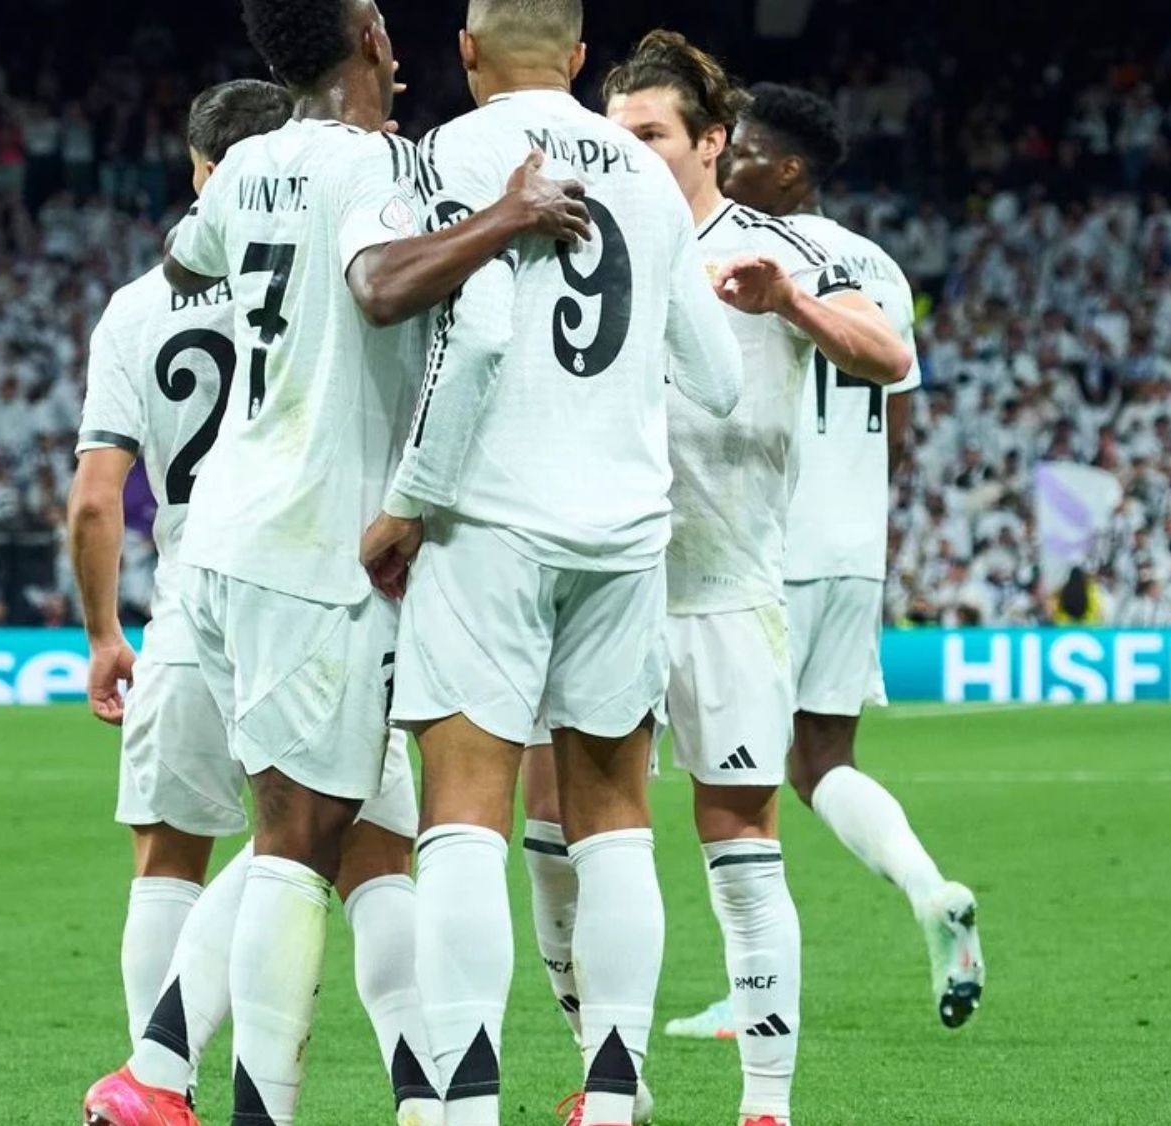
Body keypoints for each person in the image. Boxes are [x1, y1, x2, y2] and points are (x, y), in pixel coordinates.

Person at [151, 5, 592, 1125]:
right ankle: (252, 1106)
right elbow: (384, 284)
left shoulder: (246, 158)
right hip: (315, 539)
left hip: (222, 543)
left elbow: (182, 252)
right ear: (371, 41)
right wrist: (505, 215)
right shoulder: (380, 162)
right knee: (296, 845)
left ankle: (380, 1089)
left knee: (334, 832)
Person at [491, 32, 907, 1126]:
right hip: (588, 584)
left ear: (711, 142)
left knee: (740, 849)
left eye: (647, 135)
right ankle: (604, 1073)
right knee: (553, 845)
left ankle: (764, 1105)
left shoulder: (773, 245)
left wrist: (788, 307)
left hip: (721, 592)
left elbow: (886, 354)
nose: (619, 150)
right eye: (612, 131)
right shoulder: (576, 234)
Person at [356, 4, 744, 1124]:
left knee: (466, 808)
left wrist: (409, 503)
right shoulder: (637, 165)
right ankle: (614, 1091)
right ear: (578, 60)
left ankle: (469, 1095)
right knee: (613, 812)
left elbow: (472, 333)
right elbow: (714, 380)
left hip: (490, 521)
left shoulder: (452, 152)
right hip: (624, 528)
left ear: (467, 53)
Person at [75, 79, 440, 1126]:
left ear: (203, 168)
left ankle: (165, 1079)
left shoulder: (138, 305)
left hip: (195, 588)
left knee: (174, 851)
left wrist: (103, 630)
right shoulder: (332, 256)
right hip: (315, 579)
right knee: (347, 841)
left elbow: (98, 494)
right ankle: (166, 1071)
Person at [714, 81, 985, 1031]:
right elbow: (898, 427)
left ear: (789, 171)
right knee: (820, 759)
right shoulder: (880, 266)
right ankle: (927, 889)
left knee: (727, 773)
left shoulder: (741, 255)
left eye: (741, 151)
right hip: (851, 547)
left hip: (764, 540)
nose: (723, 161)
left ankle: (755, 988)